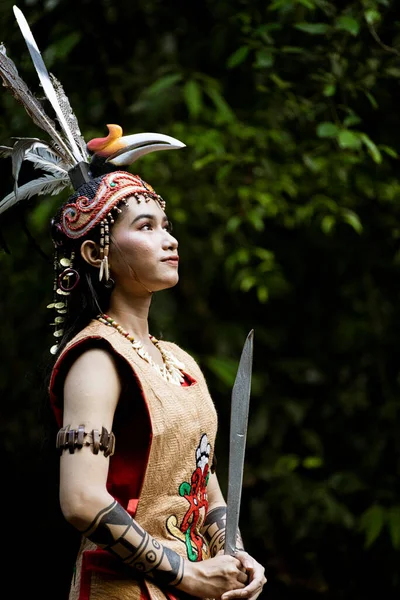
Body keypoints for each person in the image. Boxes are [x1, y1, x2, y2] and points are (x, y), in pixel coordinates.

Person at [0, 7, 267, 600]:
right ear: (98, 251)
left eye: (165, 224)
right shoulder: (96, 357)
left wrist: (236, 554)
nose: (168, 238)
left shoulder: (179, 359)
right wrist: (185, 573)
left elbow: (204, 483)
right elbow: (80, 498)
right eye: (145, 226)